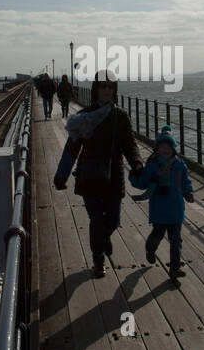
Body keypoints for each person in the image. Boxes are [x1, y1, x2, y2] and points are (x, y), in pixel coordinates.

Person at [53, 70, 142, 277]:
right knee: (96, 220)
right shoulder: (84, 118)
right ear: (96, 89)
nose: (106, 91)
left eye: (110, 87)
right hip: (89, 175)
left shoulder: (120, 117)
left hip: (114, 175)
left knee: (112, 220)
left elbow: (130, 144)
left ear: (115, 90)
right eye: (103, 87)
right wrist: (61, 175)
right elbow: (71, 149)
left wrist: (137, 163)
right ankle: (98, 260)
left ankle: (104, 238)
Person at [130, 125, 195, 281]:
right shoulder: (152, 165)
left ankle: (174, 268)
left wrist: (188, 192)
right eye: (162, 146)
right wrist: (134, 175)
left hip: (176, 207)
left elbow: (185, 181)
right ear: (156, 149)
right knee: (157, 235)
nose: (165, 149)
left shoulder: (180, 165)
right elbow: (143, 183)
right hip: (159, 206)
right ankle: (150, 249)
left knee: (176, 240)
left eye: (169, 146)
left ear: (174, 149)